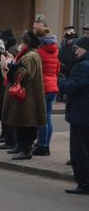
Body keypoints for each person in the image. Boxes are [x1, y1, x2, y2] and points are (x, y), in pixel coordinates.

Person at [2, 31, 46, 160]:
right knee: (23, 124)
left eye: (22, 42)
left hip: (27, 97)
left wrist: (12, 67)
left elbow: (26, 76)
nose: (20, 45)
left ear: (27, 43)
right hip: (28, 96)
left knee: (25, 125)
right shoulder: (31, 55)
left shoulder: (29, 57)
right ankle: (23, 147)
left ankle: (26, 149)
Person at [58, 37, 89, 195]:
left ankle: (83, 184)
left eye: (78, 48)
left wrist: (61, 81)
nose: (76, 51)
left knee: (79, 151)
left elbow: (73, 87)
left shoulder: (84, 66)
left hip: (81, 115)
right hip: (83, 114)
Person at [33, 27, 60, 156]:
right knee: (48, 118)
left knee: (42, 119)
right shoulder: (55, 50)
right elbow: (57, 68)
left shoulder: (39, 52)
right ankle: (46, 145)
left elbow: (36, 70)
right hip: (53, 87)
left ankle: (42, 145)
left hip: (43, 87)